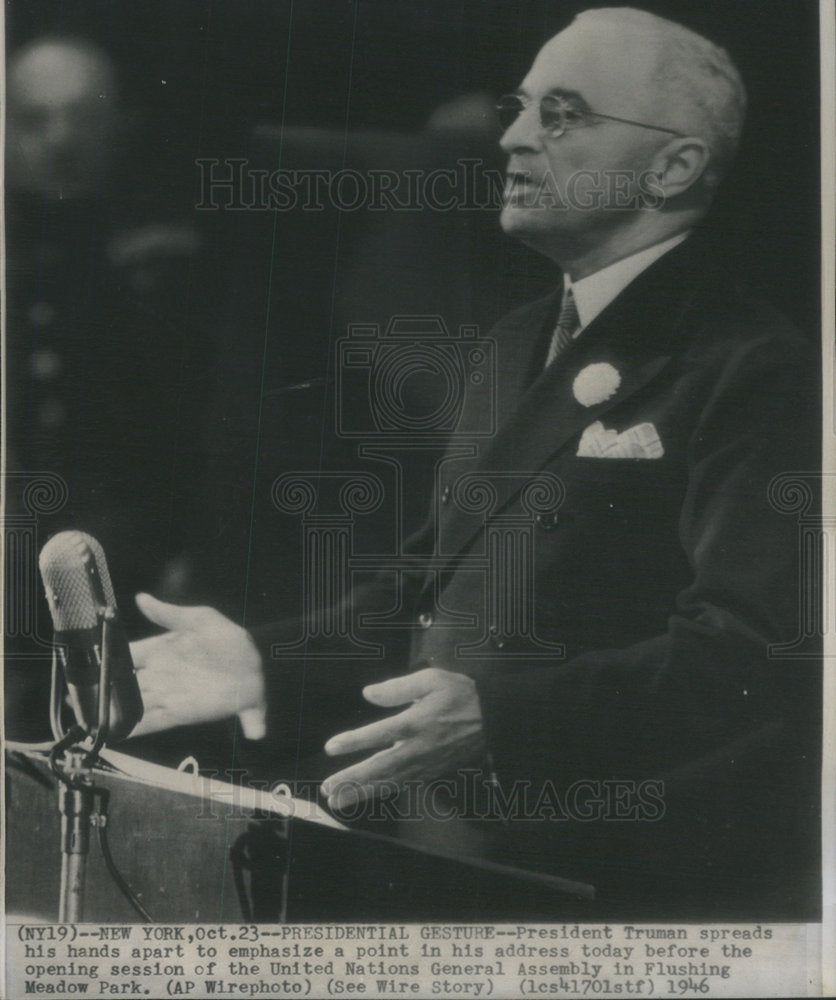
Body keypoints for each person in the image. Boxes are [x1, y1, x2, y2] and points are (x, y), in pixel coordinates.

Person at [128, 8, 820, 917]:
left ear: (673, 167)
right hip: (452, 862)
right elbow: (428, 588)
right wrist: (263, 661)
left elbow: (754, 653)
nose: (514, 137)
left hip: (624, 893)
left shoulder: (755, 365)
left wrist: (503, 721)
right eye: (519, 107)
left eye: (562, 115)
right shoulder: (515, 341)